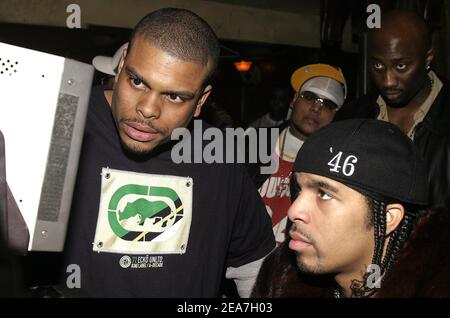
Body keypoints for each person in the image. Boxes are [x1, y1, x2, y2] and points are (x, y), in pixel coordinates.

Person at [60, 8, 275, 298]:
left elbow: (254, 269)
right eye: (137, 81)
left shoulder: (220, 157)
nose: (147, 109)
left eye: (174, 96)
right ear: (122, 65)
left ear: (201, 101)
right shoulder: (62, 124)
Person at [252, 118, 450, 298]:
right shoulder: (280, 277)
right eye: (298, 189)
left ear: (389, 218)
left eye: (325, 194)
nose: (294, 211)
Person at [336, 10, 450, 210]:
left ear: (428, 59)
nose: (388, 81)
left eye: (401, 66)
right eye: (378, 65)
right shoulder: (350, 118)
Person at [251, 64, 347, 244]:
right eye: (310, 97)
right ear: (294, 100)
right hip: (237, 265)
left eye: (327, 104)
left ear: (334, 115)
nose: (316, 109)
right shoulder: (252, 145)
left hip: (292, 266)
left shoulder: (336, 164)